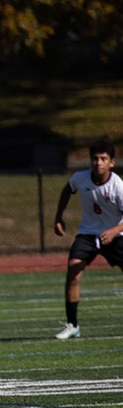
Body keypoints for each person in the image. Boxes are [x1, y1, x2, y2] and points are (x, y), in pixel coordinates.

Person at [51, 137, 123, 340]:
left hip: (116, 234)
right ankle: (73, 325)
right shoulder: (80, 178)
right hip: (88, 234)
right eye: (95, 158)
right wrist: (59, 216)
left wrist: (113, 231)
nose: (98, 163)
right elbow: (67, 189)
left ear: (111, 162)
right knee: (73, 270)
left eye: (103, 159)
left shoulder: (118, 185)